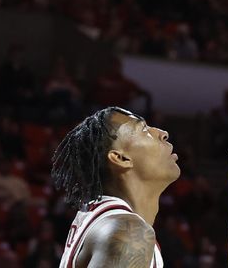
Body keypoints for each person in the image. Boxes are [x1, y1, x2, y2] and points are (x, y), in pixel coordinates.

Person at [51, 107, 180, 267]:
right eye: (144, 129)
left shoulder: (107, 222)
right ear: (121, 158)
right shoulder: (128, 234)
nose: (163, 133)